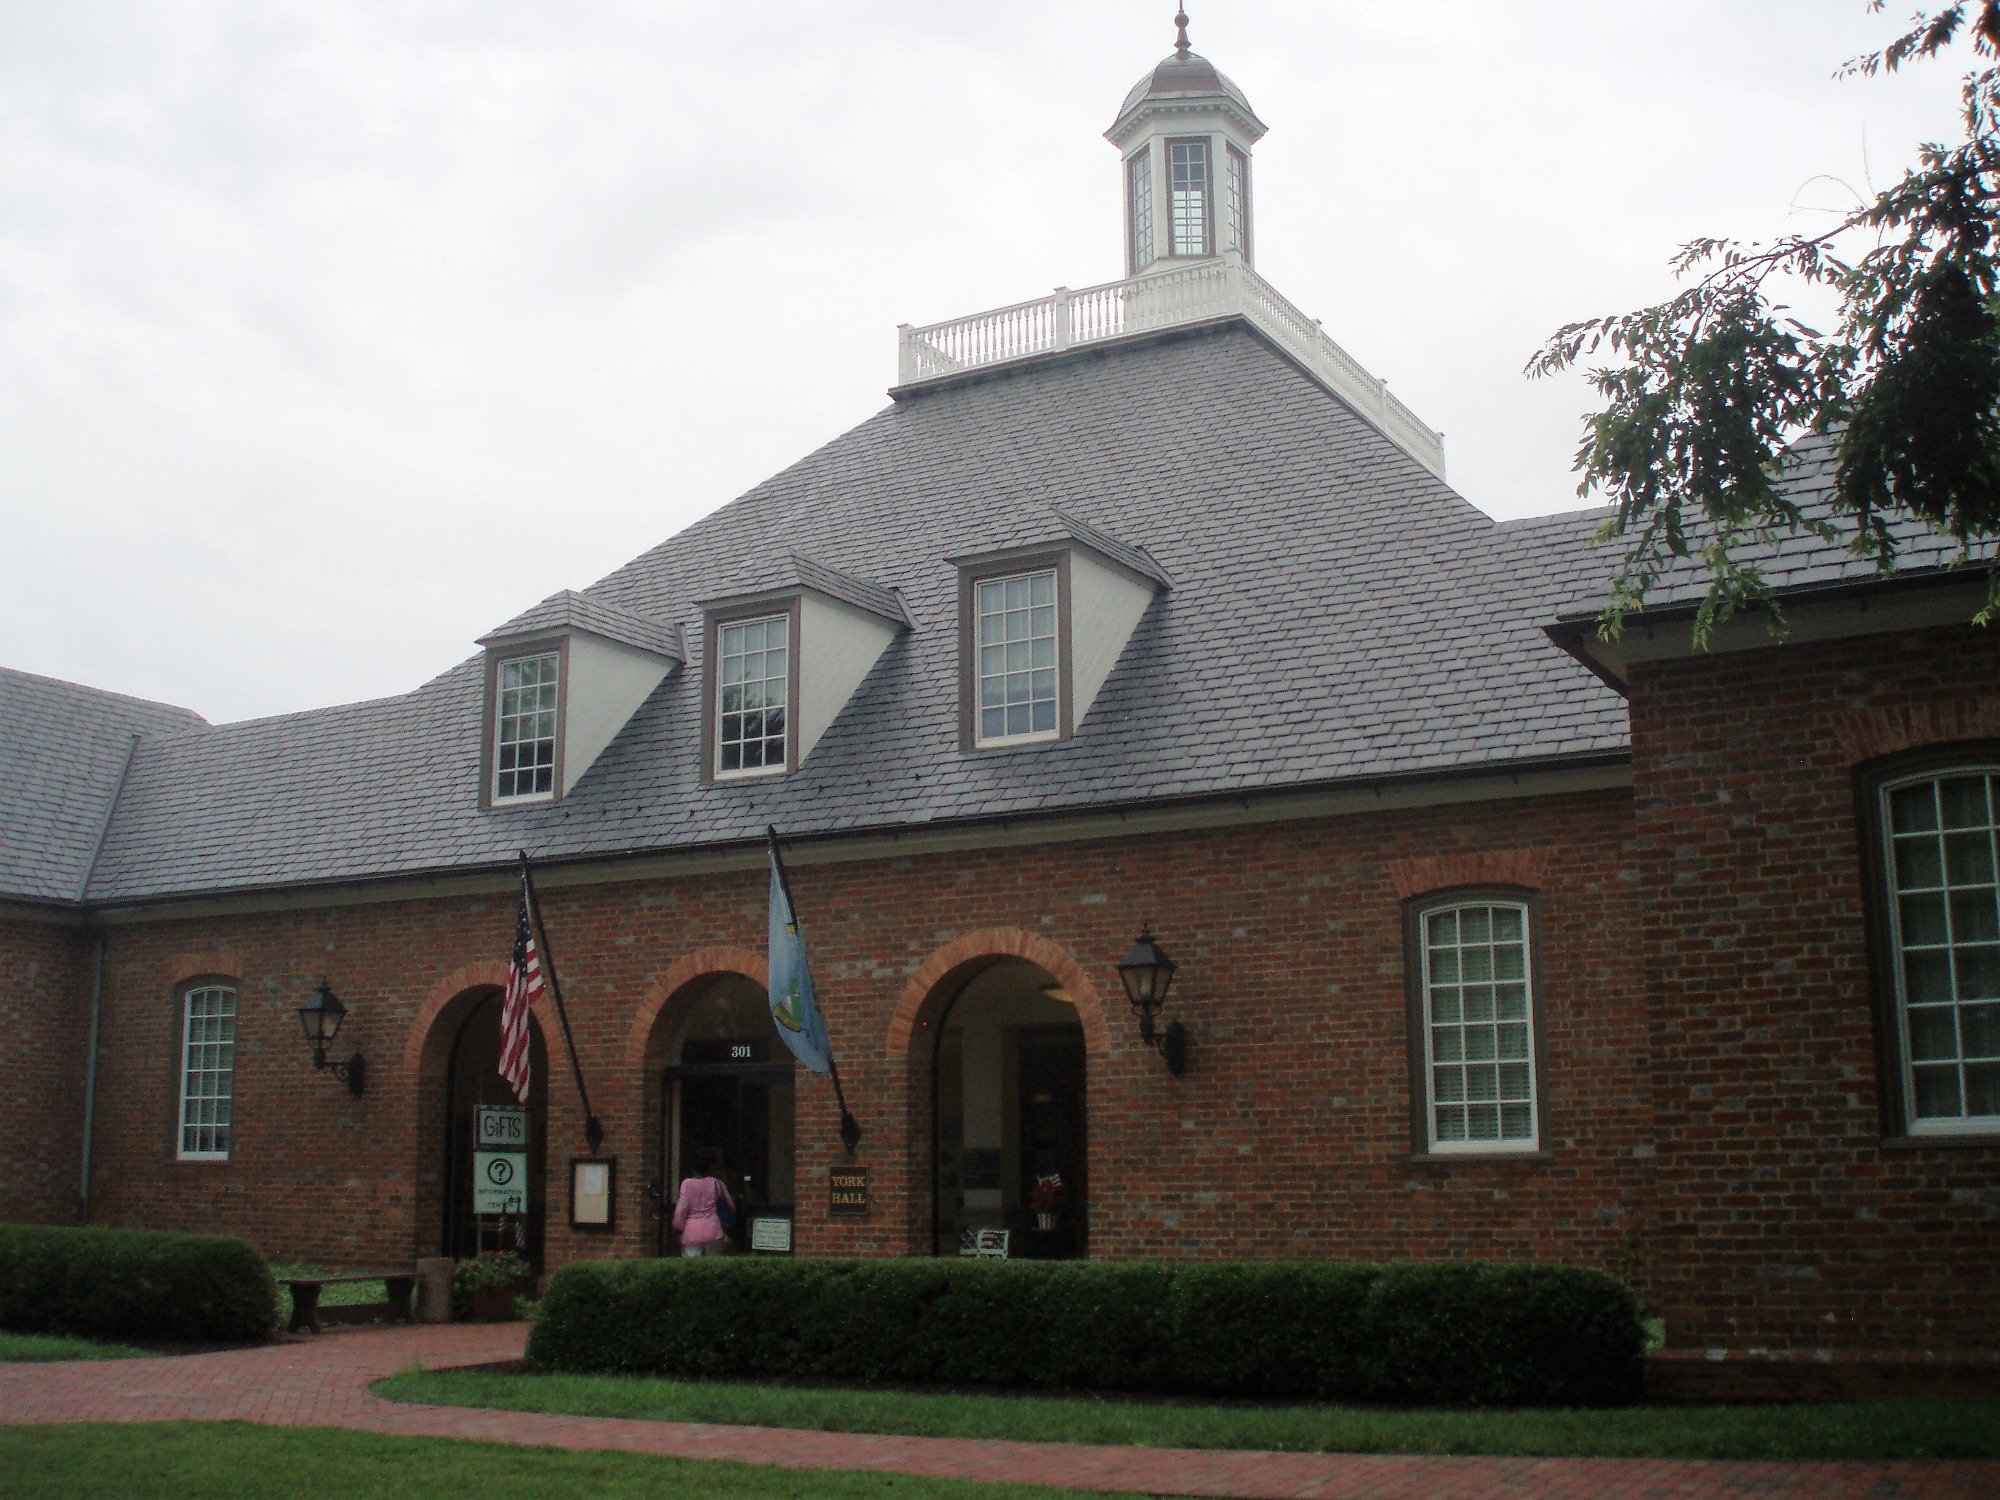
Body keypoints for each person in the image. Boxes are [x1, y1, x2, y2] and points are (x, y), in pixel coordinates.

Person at [672, 1147, 735, 1256]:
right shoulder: (716, 1183)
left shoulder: (687, 1184)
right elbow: (730, 1205)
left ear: (693, 1170)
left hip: (692, 1231)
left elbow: (680, 1210)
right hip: (714, 1229)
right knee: (713, 1264)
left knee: (691, 1266)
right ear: (709, 1169)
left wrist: (678, 1226)